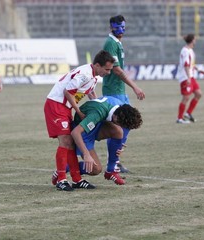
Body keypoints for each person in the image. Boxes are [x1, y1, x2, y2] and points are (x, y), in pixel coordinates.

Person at [44, 50, 115, 191]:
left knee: (70, 142)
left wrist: (99, 109)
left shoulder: (93, 76)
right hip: (56, 104)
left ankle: (76, 179)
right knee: (65, 141)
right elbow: (68, 91)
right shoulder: (85, 74)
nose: (108, 72)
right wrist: (78, 111)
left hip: (65, 107)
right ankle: (61, 179)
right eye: (107, 69)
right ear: (97, 65)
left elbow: (90, 93)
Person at [102, 15, 145, 173]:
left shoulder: (117, 42)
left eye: (123, 27)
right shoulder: (110, 43)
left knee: (128, 123)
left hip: (120, 90)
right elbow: (117, 70)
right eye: (117, 27)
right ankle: (113, 162)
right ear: (111, 27)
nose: (121, 30)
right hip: (113, 91)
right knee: (119, 126)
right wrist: (135, 87)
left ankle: (115, 160)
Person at [70, 96, 143, 185]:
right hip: (84, 132)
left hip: (97, 124)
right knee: (96, 169)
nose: (122, 127)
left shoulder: (120, 107)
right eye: (121, 125)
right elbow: (75, 133)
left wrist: (119, 145)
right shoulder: (97, 113)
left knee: (118, 131)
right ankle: (64, 168)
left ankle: (111, 171)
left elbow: (119, 129)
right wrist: (86, 155)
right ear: (116, 118)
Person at [176, 34, 204, 124]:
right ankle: (179, 118)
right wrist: (188, 78)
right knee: (186, 97)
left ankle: (188, 114)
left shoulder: (190, 51)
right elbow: (186, 65)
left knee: (198, 94)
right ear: (192, 40)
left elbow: (190, 64)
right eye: (195, 39)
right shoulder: (185, 51)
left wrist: (198, 69)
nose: (195, 41)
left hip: (190, 76)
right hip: (185, 77)